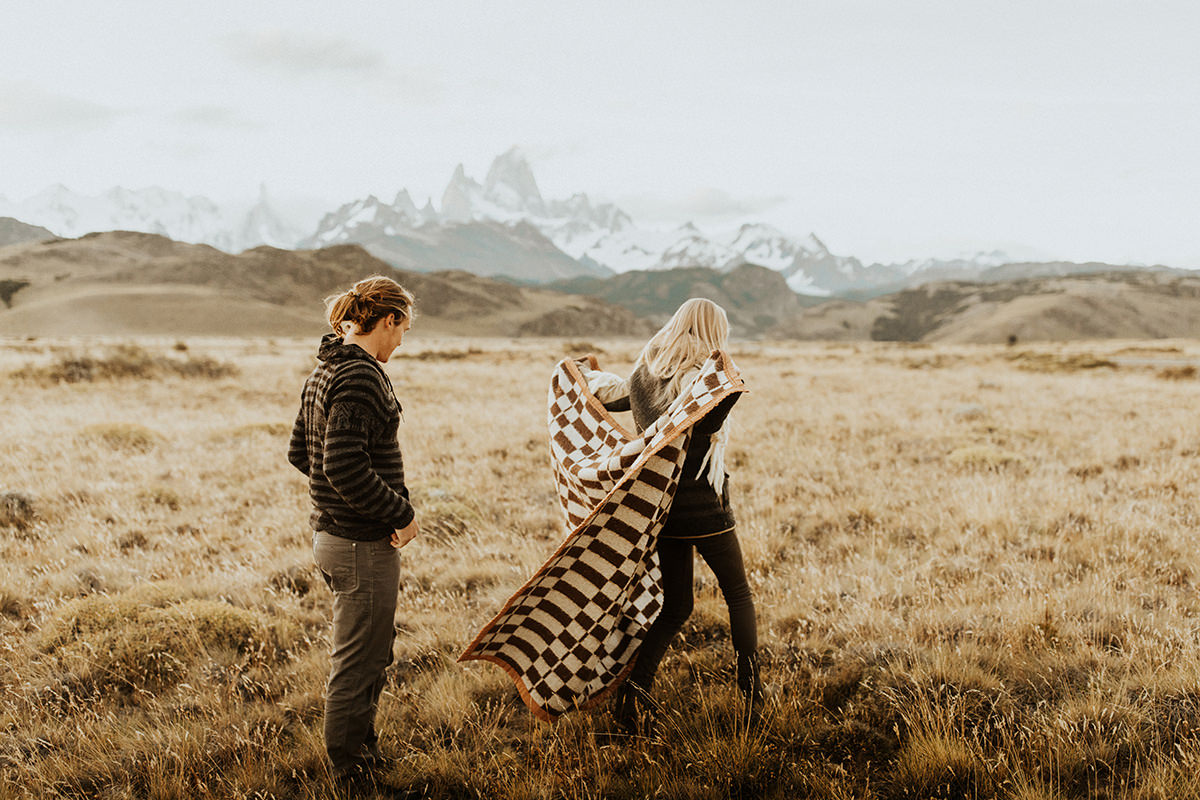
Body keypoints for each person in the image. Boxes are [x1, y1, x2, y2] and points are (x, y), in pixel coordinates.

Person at [585, 298, 763, 731]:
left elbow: (619, 402)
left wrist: (586, 377)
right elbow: (704, 425)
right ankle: (753, 694)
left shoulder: (644, 373)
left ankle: (634, 693)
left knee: (677, 605)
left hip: (661, 507)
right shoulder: (704, 380)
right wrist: (730, 386)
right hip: (705, 507)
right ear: (710, 332)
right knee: (738, 596)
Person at [287, 275, 420, 778]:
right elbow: (341, 466)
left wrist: (337, 503)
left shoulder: (325, 369)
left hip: (334, 536)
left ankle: (364, 757)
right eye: (403, 328)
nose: (403, 341)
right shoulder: (360, 375)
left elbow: (303, 453)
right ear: (388, 320)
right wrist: (399, 513)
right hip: (359, 543)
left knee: (369, 654)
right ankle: (351, 775)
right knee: (359, 663)